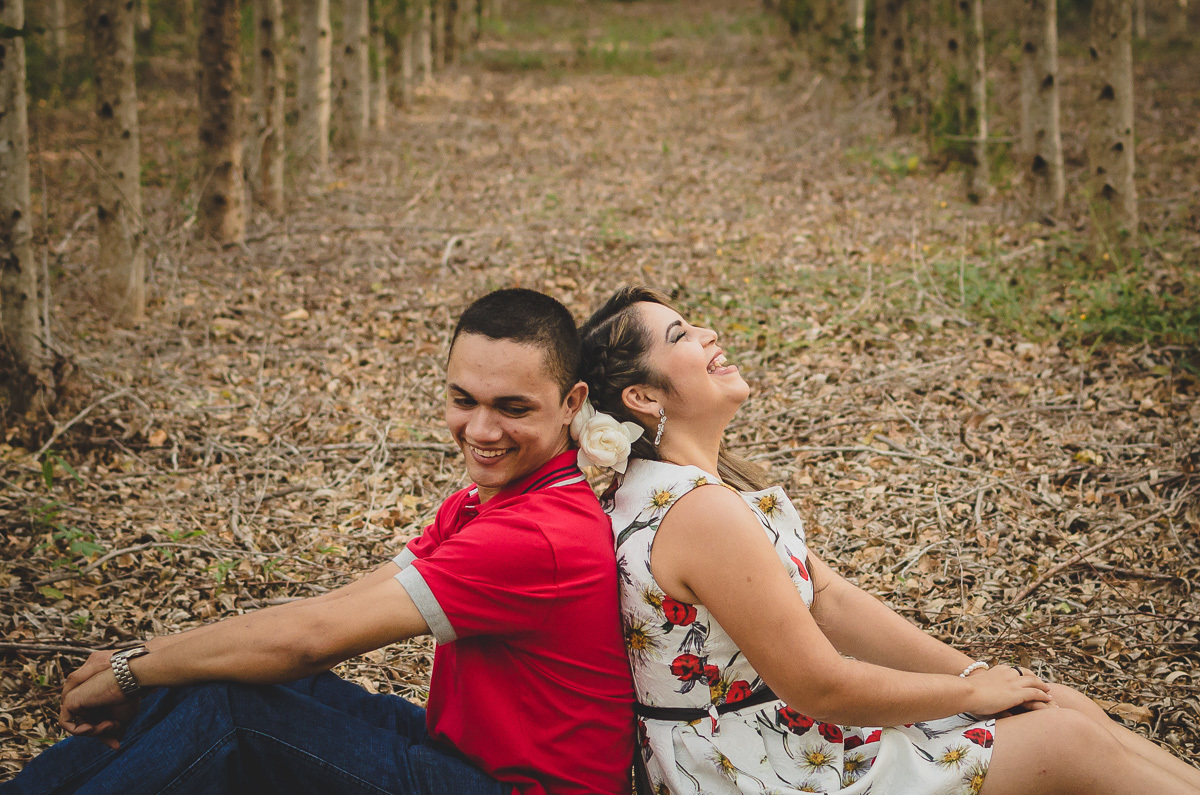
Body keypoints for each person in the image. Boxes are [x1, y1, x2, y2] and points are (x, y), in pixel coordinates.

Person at [2, 288, 636, 795]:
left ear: (570, 402)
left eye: (513, 408)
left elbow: (311, 642)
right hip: (467, 756)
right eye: (461, 399)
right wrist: (153, 663)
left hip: (511, 786)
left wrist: (126, 671)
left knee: (229, 713)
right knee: (201, 676)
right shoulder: (486, 501)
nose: (480, 428)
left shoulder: (538, 533)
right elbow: (329, 610)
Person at [574, 285, 1200, 794]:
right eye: (680, 335)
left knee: (1059, 708)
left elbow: (828, 600)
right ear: (643, 396)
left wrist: (978, 672)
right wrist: (970, 692)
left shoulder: (687, 487)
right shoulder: (697, 512)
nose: (708, 333)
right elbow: (818, 685)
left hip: (779, 738)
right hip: (757, 767)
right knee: (1069, 741)